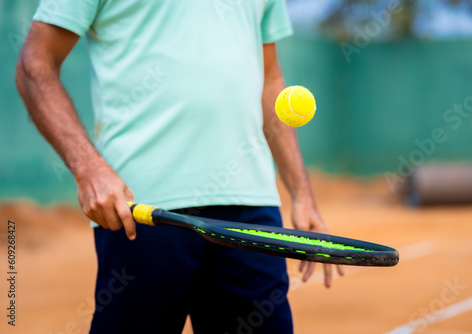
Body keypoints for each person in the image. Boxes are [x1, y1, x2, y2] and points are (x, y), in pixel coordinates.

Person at [16, 1, 343, 333]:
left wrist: (302, 194)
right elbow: (35, 65)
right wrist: (88, 169)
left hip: (252, 211)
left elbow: (270, 79)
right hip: (141, 208)